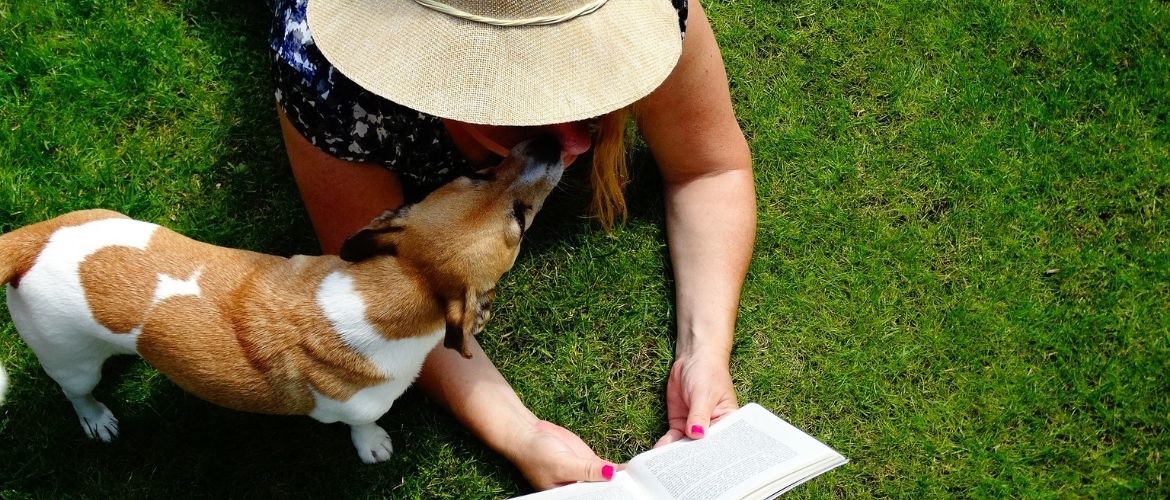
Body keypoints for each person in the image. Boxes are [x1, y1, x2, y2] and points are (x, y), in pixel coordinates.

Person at [269, 0, 755, 489]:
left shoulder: (657, 9)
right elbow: (386, 288)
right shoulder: (330, 82)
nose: (579, 142)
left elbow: (709, 169)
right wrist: (518, 433)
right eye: (519, 102)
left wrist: (704, 352)